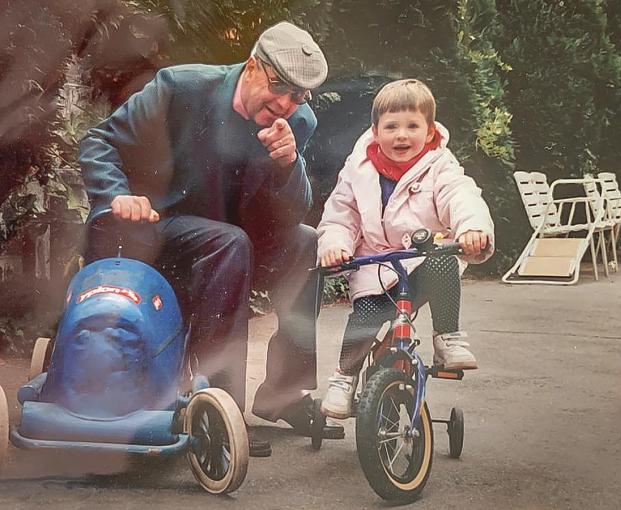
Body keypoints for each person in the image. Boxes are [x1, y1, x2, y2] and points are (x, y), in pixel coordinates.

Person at [79, 21, 343, 456]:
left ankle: (284, 393)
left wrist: (288, 165)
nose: (285, 104)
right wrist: (118, 196)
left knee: (304, 242)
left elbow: (290, 212)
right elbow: (99, 141)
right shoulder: (179, 87)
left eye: (298, 96)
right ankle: (219, 409)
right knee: (230, 240)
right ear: (253, 67)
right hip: (156, 232)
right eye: (279, 88)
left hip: (227, 242)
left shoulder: (299, 121)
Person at [317, 79, 495, 419]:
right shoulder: (358, 169)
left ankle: (447, 337)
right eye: (392, 126)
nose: (402, 135)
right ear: (375, 131)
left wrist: (472, 227)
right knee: (364, 321)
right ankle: (344, 376)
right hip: (377, 267)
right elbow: (342, 215)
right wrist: (335, 246)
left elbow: (460, 194)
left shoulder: (439, 165)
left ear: (429, 132)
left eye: (413, 126)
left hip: (420, 263)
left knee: (443, 259)